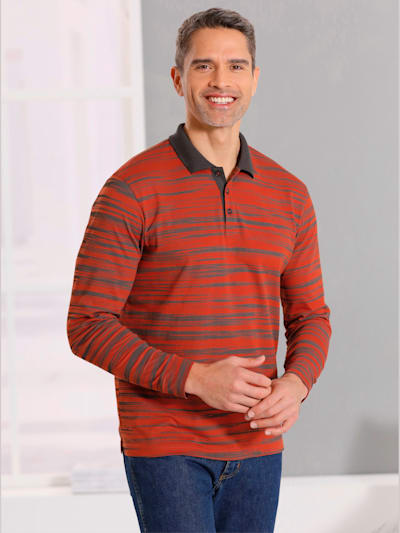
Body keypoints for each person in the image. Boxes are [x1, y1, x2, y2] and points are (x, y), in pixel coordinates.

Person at [67, 7, 332, 533]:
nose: (220, 81)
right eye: (203, 65)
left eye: (236, 66)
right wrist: (194, 379)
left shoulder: (289, 194)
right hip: (165, 442)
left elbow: (311, 316)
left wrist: (297, 383)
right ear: (178, 77)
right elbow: (87, 324)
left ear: (254, 78)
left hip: (256, 441)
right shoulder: (131, 190)